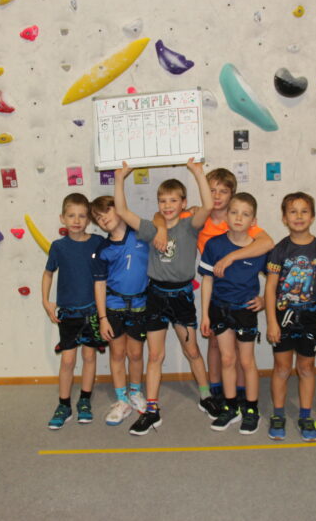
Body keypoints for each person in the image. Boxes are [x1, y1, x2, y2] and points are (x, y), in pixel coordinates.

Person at [114, 158, 221, 435]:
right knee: (155, 355)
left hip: (182, 297)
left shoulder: (189, 226)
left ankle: (206, 396)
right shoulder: (151, 229)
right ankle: (152, 409)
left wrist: (198, 172)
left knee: (192, 351)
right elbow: (122, 211)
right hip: (156, 297)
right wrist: (120, 178)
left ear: (183, 203)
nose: (167, 205)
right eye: (162, 201)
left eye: (173, 200)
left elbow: (208, 206)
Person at [154, 168, 273, 405]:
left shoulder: (239, 219)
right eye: (212, 191)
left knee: (239, 349)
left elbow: (267, 243)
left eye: (223, 191)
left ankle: (241, 390)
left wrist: (230, 258)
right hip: (215, 288)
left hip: (239, 290)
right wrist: (161, 228)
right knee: (215, 343)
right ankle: (217, 388)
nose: (217, 196)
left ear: (232, 195)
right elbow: (160, 215)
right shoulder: (198, 216)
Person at [265, 192, 316, 442]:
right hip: (283, 316)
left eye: (304, 211)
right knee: (282, 368)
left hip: (310, 318)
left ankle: (305, 416)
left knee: (306, 368)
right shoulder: (279, 250)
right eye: (293, 212)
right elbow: (270, 287)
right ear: (284, 218)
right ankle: (278, 415)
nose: (298, 216)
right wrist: (271, 322)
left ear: (313, 216)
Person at [199, 193, 268, 434]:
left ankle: (251, 409)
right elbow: (207, 280)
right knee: (227, 359)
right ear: (226, 216)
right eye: (234, 212)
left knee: (246, 361)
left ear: (253, 221)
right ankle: (230, 407)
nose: (239, 218)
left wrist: (264, 300)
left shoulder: (259, 248)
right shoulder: (214, 245)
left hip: (245, 312)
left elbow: (276, 280)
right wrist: (205, 315)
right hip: (219, 310)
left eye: (245, 214)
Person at [42, 193, 105, 430]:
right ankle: (64, 404)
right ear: (62, 218)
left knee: (89, 357)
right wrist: (46, 301)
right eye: (71, 216)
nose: (76, 220)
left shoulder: (98, 242)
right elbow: (48, 273)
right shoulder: (58, 247)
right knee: (68, 360)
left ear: (88, 219)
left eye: (81, 216)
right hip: (68, 314)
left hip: (92, 313)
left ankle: (85, 400)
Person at [91, 195, 148, 425]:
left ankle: (135, 392)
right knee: (117, 354)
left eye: (106, 211)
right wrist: (102, 318)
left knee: (135, 354)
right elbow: (99, 284)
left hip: (140, 306)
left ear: (119, 209)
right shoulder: (103, 249)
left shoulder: (141, 235)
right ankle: (122, 399)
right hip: (114, 307)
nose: (103, 218)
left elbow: (162, 227)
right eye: (98, 217)